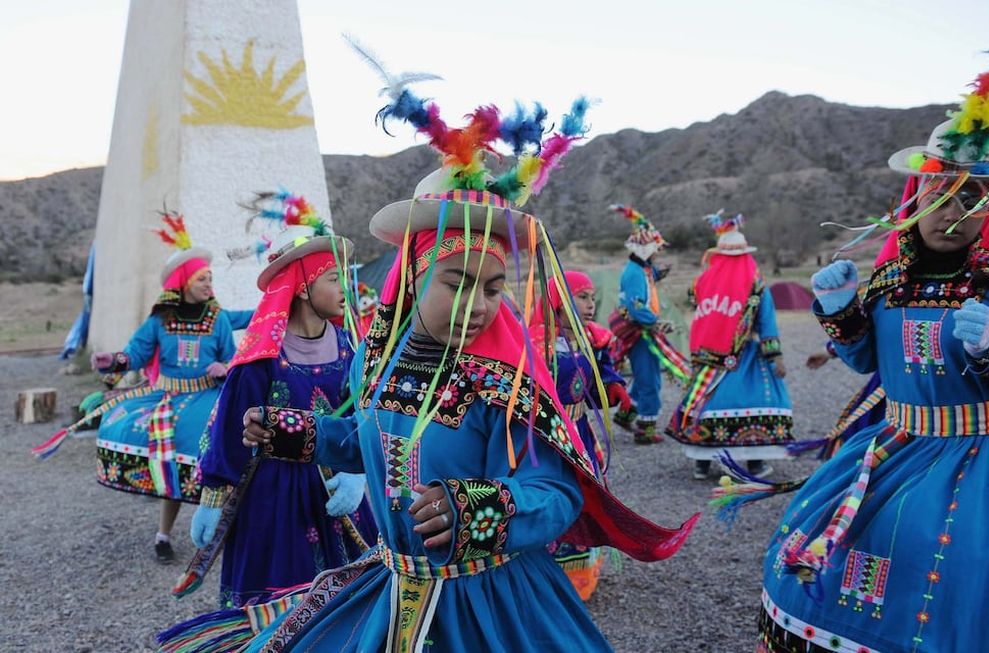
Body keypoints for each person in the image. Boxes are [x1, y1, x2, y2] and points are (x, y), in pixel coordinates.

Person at [158, 73, 697, 653]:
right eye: (457, 282)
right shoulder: (380, 362)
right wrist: (301, 433)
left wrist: (479, 510)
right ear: (414, 278)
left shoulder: (504, 386)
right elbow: (369, 438)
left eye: (492, 287)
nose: (478, 304)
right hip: (397, 587)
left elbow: (555, 492)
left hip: (488, 601)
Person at [758, 58, 989, 652]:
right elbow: (867, 361)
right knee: (819, 547)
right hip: (894, 445)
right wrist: (838, 307)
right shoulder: (890, 279)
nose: (953, 212)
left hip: (981, 457)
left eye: (972, 197)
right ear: (915, 195)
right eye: (940, 193)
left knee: (957, 563)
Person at [188, 192, 376, 608]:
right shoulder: (260, 359)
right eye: (334, 279)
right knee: (281, 604)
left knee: (350, 606)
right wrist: (213, 498)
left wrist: (358, 472)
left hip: (339, 490)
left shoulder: (350, 346)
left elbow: (367, 412)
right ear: (304, 287)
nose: (346, 287)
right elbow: (228, 430)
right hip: (274, 498)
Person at [37, 212, 241, 563]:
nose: (209, 284)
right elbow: (136, 353)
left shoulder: (217, 318)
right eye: (202, 279)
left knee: (219, 451)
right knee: (169, 454)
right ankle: (164, 535)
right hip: (170, 398)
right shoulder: (160, 318)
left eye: (210, 278)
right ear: (183, 283)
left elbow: (232, 359)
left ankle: (225, 532)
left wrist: (225, 368)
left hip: (208, 395)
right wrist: (112, 361)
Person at [666, 212, 794, 480]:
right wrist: (775, 356)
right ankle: (755, 462)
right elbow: (766, 322)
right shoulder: (756, 284)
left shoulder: (703, 282)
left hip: (705, 357)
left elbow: (695, 302)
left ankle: (701, 462)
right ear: (746, 254)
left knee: (705, 403)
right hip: (743, 355)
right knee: (753, 400)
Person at [530, 270, 631, 599]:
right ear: (558, 301)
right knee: (553, 496)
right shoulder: (535, 343)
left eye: (592, 297)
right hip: (548, 439)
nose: (591, 304)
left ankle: (579, 579)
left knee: (586, 496)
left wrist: (613, 385)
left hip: (582, 434)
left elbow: (603, 369)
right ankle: (544, 580)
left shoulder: (592, 338)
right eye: (582, 297)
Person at [609, 204, 690, 444]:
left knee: (648, 377)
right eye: (655, 249)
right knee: (649, 381)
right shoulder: (634, 273)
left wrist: (658, 274)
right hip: (640, 334)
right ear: (646, 251)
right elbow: (636, 306)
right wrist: (655, 322)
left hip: (643, 332)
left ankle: (626, 415)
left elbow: (646, 282)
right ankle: (645, 429)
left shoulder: (641, 269)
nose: (658, 253)